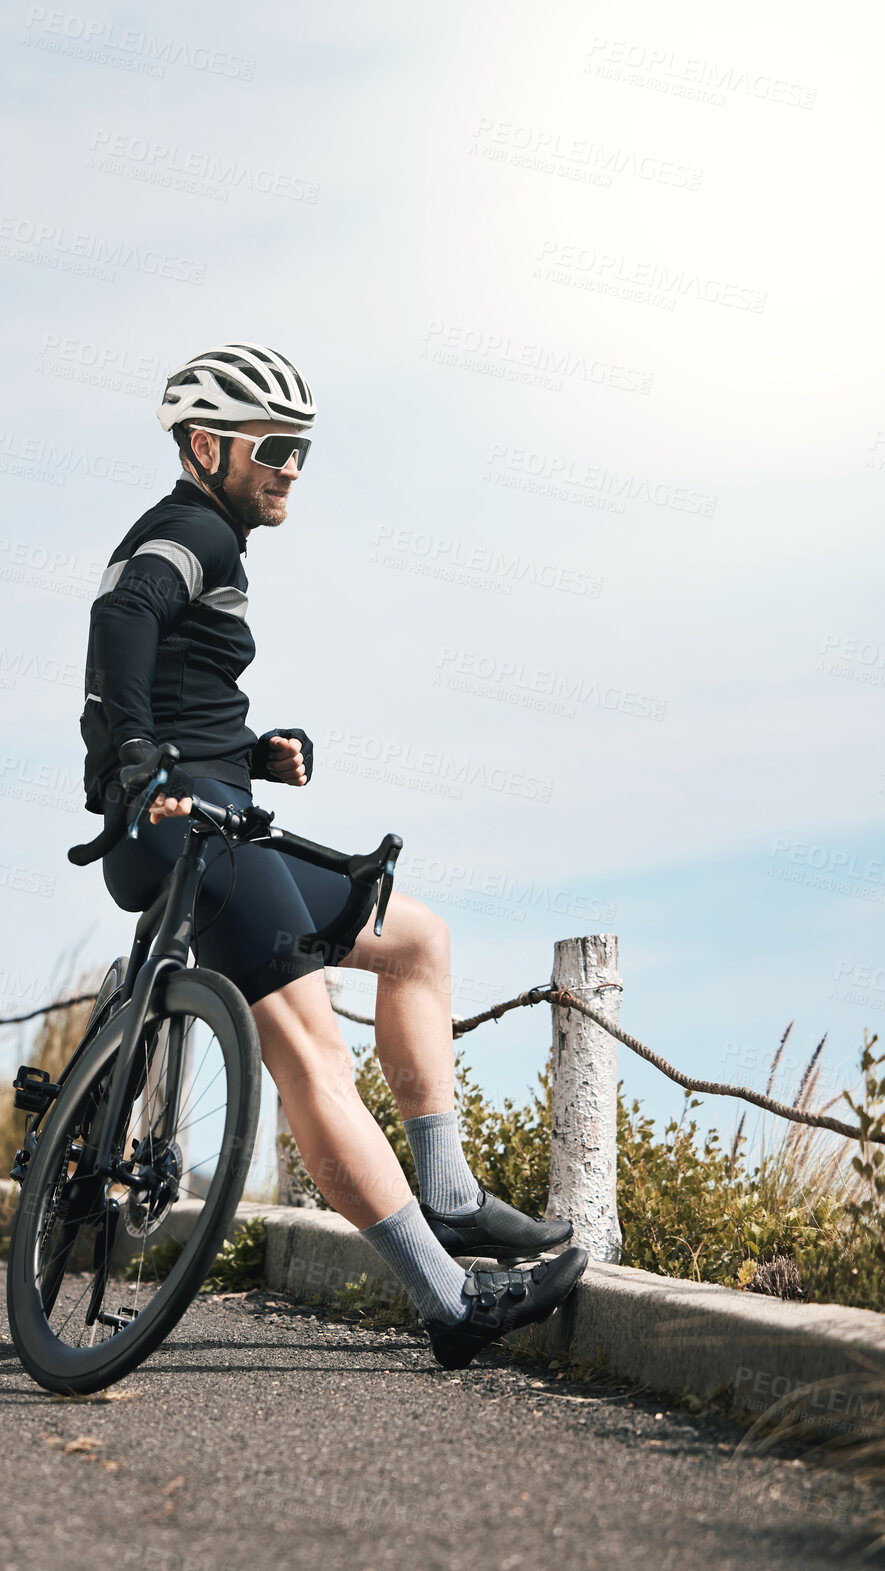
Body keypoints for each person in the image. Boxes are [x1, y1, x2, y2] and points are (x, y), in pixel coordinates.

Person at [80, 342, 587, 1367]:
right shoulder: (189, 532)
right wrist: (137, 762)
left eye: (303, 449)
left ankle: (445, 1189)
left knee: (417, 942)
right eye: (273, 446)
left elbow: (177, 676)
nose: (291, 467)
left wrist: (254, 751)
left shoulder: (207, 539)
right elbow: (124, 617)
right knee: (314, 1050)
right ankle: (452, 1301)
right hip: (187, 825)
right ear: (205, 443)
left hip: (210, 805)